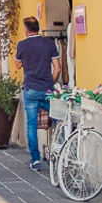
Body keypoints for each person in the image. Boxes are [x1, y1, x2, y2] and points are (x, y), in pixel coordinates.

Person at [15, 15, 64, 171]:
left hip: (30, 89)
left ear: (26, 30)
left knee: (32, 126)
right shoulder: (49, 44)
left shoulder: (22, 45)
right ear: (38, 28)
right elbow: (57, 67)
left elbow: (17, 65)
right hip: (47, 89)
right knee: (57, 120)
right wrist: (52, 82)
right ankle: (61, 151)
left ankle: (35, 160)